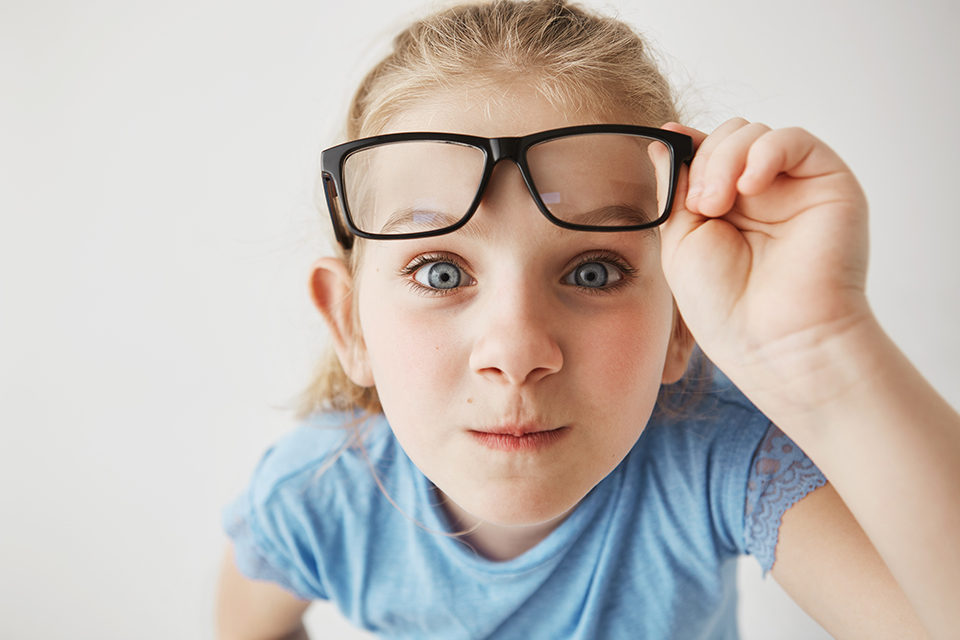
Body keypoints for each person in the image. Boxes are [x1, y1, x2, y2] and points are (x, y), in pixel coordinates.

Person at [216, 1, 960, 638]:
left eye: (593, 271)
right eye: (441, 273)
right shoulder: (314, 492)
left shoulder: (715, 459)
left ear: (679, 323)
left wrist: (827, 351)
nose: (516, 351)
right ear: (348, 323)